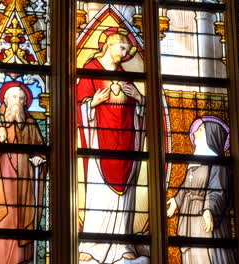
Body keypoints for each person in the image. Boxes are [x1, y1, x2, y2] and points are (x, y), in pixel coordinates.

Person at [77, 27, 146, 263]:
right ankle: (91, 244)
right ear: (109, 45)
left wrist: (140, 100)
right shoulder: (90, 71)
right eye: (122, 48)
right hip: (99, 144)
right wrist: (92, 103)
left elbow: (140, 111)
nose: (124, 53)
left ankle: (122, 243)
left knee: (124, 197)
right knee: (99, 194)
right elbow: (79, 106)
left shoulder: (126, 76)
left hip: (126, 144)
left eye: (127, 50)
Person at [0, 81, 46, 264]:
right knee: (5, 217)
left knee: (21, 218)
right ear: (6, 100)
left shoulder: (30, 124)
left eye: (22, 98)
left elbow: (41, 149)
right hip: (2, 181)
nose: (18, 101)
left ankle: (20, 260)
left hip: (24, 183)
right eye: (14, 97)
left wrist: (39, 158)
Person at [166, 116, 236, 264]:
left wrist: (210, 209)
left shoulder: (218, 163)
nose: (194, 133)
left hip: (204, 218)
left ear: (211, 135)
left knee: (204, 255)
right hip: (189, 215)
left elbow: (218, 190)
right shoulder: (194, 163)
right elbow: (187, 185)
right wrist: (177, 200)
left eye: (200, 129)